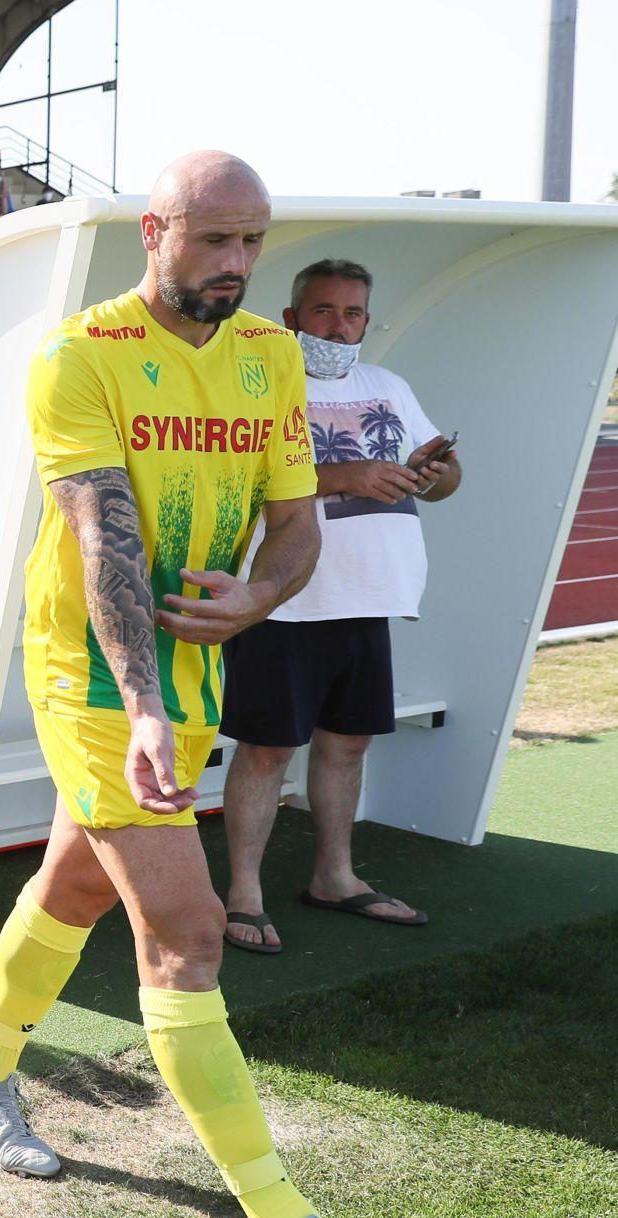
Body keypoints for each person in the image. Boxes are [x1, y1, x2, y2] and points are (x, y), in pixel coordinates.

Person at [0, 152, 451, 1218]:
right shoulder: (79, 356)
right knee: (184, 929)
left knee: (71, 886)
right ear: (156, 231)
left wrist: (254, 604)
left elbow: (293, 520)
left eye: (250, 243)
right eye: (212, 239)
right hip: (94, 675)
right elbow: (104, 539)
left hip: (198, 664)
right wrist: (147, 704)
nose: (232, 264)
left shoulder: (270, 357)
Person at [218, 258, 463, 953]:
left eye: (352, 313)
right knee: (266, 749)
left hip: (369, 594)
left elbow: (444, 485)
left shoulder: (387, 385)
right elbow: (235, 478)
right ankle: (242, 893)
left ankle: (334, 876)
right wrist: (343, 475)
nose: (339, 325)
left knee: (346, 744)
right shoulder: (258, 382)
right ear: (290, 317)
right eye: (323, 311)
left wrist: (439, 471)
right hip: (284, 596)